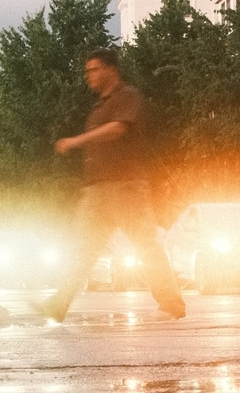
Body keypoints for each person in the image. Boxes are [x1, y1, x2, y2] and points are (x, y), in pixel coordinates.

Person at [43, 46, 185, 322]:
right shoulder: (98, 107)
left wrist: (76, 141)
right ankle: (58, 305)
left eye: (94, 69)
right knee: (82, 248)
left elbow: (118, 129)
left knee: (146, 245)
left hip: (126, 187)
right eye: (87, 71)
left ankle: (172, 304)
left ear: (111, 69)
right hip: (97, 190)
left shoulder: (127, 97)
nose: (89, 76)